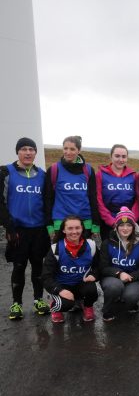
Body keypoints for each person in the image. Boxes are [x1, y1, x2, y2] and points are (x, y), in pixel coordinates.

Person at [0, 137, 50, 319]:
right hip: (18, 230)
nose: (28, 152)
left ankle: (39, 300)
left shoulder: (43, 175)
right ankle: (16, 303)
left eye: (31, 149)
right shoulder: (6, 172)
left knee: (38, 266)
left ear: (36, 152)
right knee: (19, 267)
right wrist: (9, 226)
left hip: (39, 229)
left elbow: (47, 202)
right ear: (17, 152)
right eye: (24, 149)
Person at [42, 215, 99, 323]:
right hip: (62, 286)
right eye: (70, 228)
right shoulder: (56, 249)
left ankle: (87, 306)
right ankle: (56, 307)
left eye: (77, 228)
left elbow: (98, 266)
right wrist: (60, 290)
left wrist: (94, 275)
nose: (74, 232)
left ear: (82, 228)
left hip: (80, 284)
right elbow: (46, 276)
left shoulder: (91, 245)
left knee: (91, 290)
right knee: (67, 304)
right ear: (63, 230)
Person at [44, 135, 100, 237]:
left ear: (79, 150)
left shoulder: (88, 170)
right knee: (63, 252)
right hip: (61, 222)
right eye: (65, 148)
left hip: (85, 221)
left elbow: (93, 197)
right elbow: (48, 198)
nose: (68, 152)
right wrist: (49, 225)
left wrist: (96, 223)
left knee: (83, 252)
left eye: (72, 149)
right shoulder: (54, 169)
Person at [98, 207, 139, 321]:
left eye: (129, 225)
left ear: (134, 227)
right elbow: (103, 267)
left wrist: (132, 277)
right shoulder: (108, 242)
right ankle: (108, 310)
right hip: (112, 278)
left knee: (131, 296)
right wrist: (119, 273)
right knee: (114, 287)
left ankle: (131, 303)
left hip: (133, 278)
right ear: (116, 227)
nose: (125, 228)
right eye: (121, 225)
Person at [96, 144, 139, 239]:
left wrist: (132, 218)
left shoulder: (133, 175)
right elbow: (98, 199)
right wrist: (110, 221)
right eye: (117, 156)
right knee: (110, 250)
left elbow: (138, 200)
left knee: (130, 249)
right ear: (111, 156)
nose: (121, 159)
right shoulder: (100, 175)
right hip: (109, 222)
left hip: (129, 221)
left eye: (124, 157)